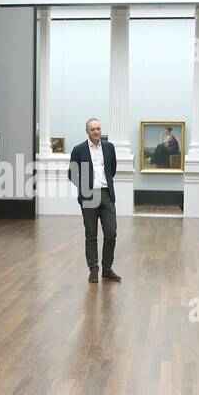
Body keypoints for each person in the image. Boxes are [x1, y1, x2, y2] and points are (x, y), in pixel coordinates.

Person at [69, 118, 121, 283]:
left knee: (111, 233)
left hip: (106, 194)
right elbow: (72, 173)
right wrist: (85, 188)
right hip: (89, 196)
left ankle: (107, 269)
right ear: (87, 131)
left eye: (98, 128)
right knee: (91, 235)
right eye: (93, 129)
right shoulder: (79, 150)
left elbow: (112, 169)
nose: (96, 132)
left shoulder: (109, 147)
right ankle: (93, 270)